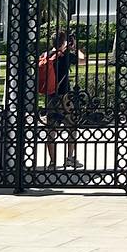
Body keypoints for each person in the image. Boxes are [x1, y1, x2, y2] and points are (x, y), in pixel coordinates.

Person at [41, 29, 83, 168]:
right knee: (72, 127)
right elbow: (83, 60)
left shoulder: (46, 55)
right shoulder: (66, 56)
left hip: (51, 97)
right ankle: (70, 158)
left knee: (51, 130)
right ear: (64, 42)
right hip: (65, 97)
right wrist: (74, 47)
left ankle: (52, 162)